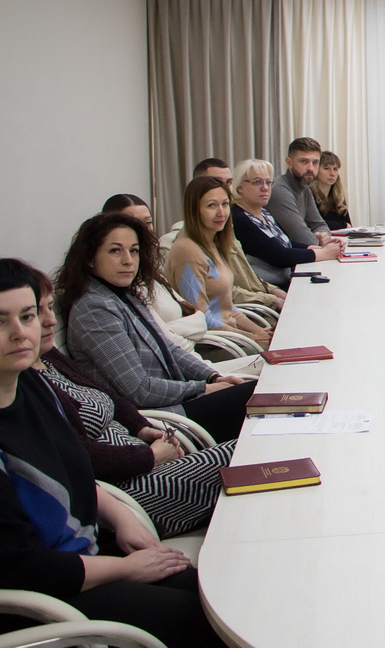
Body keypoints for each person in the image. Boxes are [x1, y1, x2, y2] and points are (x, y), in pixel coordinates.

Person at [0, 258, 221, 648]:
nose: (20, 333)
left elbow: (74, 474)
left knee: (221, 591)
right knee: (205, 622)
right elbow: (22, 568)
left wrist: (122, 518)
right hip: (38, 605)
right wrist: (125, 569)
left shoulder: (32, 387)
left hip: (85, 562)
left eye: (27, 316)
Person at [31, 269, 234, 538]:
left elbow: (109, 396)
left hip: (144, 457)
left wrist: (141, 428)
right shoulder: (27, 383)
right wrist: (150, 457)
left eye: (49, 308)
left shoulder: (48, 357)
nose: (50, 320)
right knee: (245, 454)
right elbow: (80, 457)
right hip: (127, 495)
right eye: (34, 313)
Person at [61, 211, 255, 443]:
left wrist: (212, 377)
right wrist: (203, 388)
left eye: (134, 250)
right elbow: (140, 390)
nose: (128, 260)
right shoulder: (94, 309)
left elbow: (169, 349)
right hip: (162, 419)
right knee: (260, 397)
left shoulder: (125, 295)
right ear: (90, 257)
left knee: (261, 395)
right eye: (115, 251)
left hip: (178, 400)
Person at [165, 177, 272, 349]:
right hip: (214, 345)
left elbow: (228, 309)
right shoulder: (188, 252)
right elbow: (200, 317)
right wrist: (251, 337)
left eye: (225, 204)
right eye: (211, 206)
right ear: (194, 210)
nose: (221, 213)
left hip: (232, 337)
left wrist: (261, 333)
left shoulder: (213, 243)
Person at [102, 193, 209, 351]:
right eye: (134, 223)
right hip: (182, 357)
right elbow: (163, 341)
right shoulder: (125, 279)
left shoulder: (151, 272)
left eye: (148, 222)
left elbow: (200, 318)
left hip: (193, 351)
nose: (144, 229)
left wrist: (177, 332)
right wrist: (188, 336)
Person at [232, 158, 341, 287]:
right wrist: (324, 253)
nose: (265, 188)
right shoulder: (239, 218)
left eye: (268, 182)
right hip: (267, 289)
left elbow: (284, 242)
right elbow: (279, 256)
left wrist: (319, 248)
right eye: (257, 182)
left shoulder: (263, 212)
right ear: (240, 188)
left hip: (285, 280)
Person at [268, 137, 333, 245]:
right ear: (289, 162)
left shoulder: (305, 188)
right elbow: (304, 239)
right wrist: (320, 240)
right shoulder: (279, 190)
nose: (310, 168)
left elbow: (320, 225)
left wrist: (323, 235)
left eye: (315, 162)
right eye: (304, 161)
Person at [313, 150, 352, 232]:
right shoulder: (309, 195)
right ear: (316, 170)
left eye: (335, 169)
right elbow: (314, 224)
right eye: (326, 168)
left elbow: (349, 225)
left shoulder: (338, 196)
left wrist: (344, 225)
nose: (332, 173)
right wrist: (342, 225)